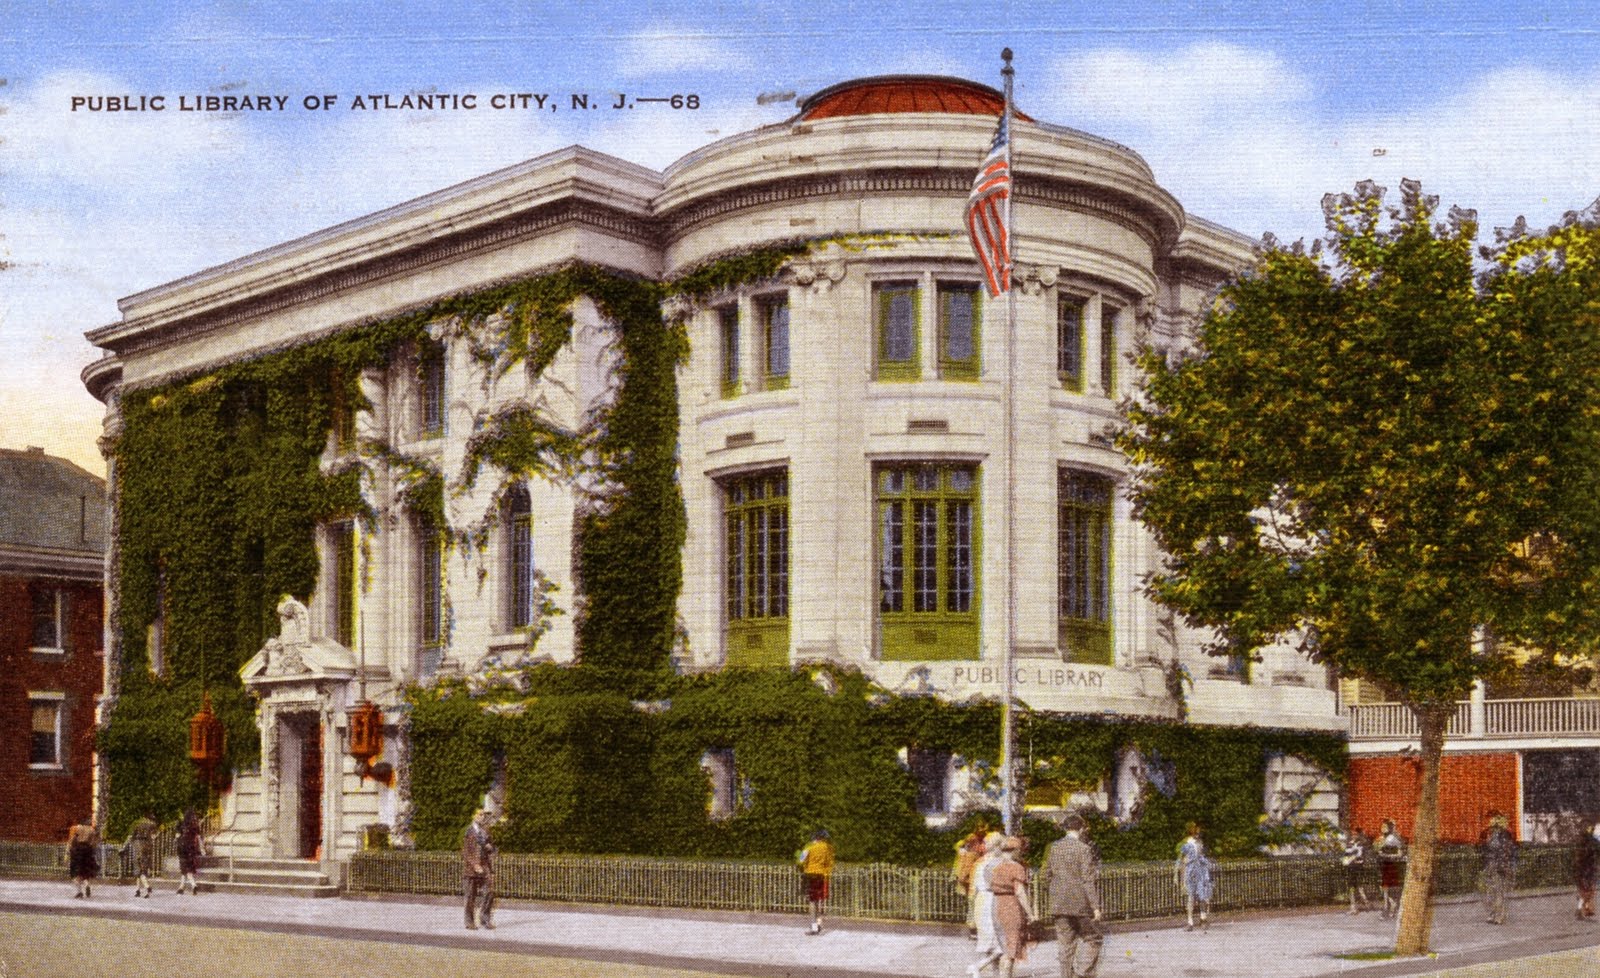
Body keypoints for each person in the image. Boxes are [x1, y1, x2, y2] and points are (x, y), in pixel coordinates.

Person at [1042, 813, 1103, 978]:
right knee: (1093, 938)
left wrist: (1055, 891)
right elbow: (1087, 880)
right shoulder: (1084, 849)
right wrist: (1095, 907)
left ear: (1065, 828)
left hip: (1058, 903)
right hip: (1080, 903)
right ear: (1081, 829)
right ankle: (1081, 973)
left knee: (1065, 944)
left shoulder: (1054, 848)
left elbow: (1045, 875)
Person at [988, 836, 1037, 978]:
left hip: (997, 906)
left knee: (1005, 945)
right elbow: (1020, 893)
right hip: (1011, 906)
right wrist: (1030, 914)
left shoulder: (996, 867)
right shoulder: (1017, 867)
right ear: (1016, 851)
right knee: (1011, 947)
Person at [967, 831, 1007, 976]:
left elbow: (973, 889)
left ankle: (991, 973)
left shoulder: (979, 862)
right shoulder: (1000, 863)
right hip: (994, 900)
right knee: (1000, 943)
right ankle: (979, 966)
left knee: (990, 942)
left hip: (981, 901)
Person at [1479, 811, 1517, 925]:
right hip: (1490, 865)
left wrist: (1504, 866)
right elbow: (1483, 849)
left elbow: (1506, 851)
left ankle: (1499, 916)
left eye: (1492, 820)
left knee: (1498, 892)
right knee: (1489, 892)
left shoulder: (1504, 835)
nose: (1490, 822)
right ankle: (1492, 914)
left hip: (1499, 866)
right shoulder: (1490, 834)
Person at [953, 824, 989, 940]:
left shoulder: (968, 853)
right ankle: (974, 931)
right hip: (973, 884)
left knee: (974, 907)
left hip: (973, 884)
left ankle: (975, 931)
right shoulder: (971, 855)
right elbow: (965, 873)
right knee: (975, 907)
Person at [796, 828, 835, 935]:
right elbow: (830, 862)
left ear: (815, 837)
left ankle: (814, 927)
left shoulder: (809, 847)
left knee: (812, 901)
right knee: (820, 900)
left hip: (811, 875)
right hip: (823, 875)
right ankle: (819, 923)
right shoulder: (828, 848)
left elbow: (800, 861)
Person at [462, 809, 496, 930]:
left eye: (483, 815)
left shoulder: (485, 831)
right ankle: (469, 922)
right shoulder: (469, 831)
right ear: (474, 816)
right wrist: (475, 865)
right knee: (470, 896)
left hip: (485, 866)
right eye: (480, 814)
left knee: (489, 892)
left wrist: (490, 847)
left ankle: (485, 919)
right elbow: (466, 852)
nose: (482, 817)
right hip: (471, 869)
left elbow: (492, 848)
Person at [1176, 822, 1213, 931]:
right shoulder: (1188, 844)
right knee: (1191, 898)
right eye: (1196, 831)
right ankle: (1190, 922)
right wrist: (1180, 875)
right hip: (1191, 874)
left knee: (1202, 897)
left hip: (1200, 874)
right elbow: (1181, 859)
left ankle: (1203, 918)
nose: (1198, 833)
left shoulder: (1200, 844)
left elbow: (1203, 858)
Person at [1375, 818, 1406, 919]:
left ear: (1389, 828)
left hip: (1391, 865)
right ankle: (1391, 907)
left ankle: (1387, 909)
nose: (1382, 828)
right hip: (1384, 865)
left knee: (1387, 889)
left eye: (1385, 826)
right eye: (1382, 826)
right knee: (1385, 889)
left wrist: (1385, 855)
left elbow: (1400, 854)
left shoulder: (1392, 839)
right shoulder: (1382, 838)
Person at [125, 812, 158, 898]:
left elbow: (131, 837)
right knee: (143, 868)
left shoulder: (137, 824)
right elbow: (153, 837)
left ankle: (147, 887)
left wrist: (131, 844)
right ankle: (138, 890)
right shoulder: (153, 825)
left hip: (138, 847)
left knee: (138, 868)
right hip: (147, 847)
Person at [1341, 828, 1373, 914]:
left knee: (1359, 887)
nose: (1353, 836)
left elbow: (1359, 855)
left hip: (1358, 867)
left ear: (1359, 835)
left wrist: (1350, 859)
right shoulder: (1350, 844)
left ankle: (1366, 903)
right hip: (1351, 868)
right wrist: (1345, 860)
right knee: (1351, 887)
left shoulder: (1361, 844)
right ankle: (1353, 907)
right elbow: (1346, 854)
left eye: (1355, 834)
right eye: (1352, 834)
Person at [1575, 818, 1599, 921]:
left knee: (1585, 891)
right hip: (1587, 870)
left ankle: (1583, 909)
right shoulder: (1591, 844)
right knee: (1589, 891)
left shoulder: (1581, 844)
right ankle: (1584, 909)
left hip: (1581, 870)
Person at [66, 820, 99, 899]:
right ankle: (87, 884)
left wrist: (69, 850)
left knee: (75, 872)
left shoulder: (77, 828)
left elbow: (72, 839)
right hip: (88, 851)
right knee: (86, 871)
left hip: (78, 850)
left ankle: (79, 892)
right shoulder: (92, 830)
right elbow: (94, 843)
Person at [176, 808, 203, 895]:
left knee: (184, 868)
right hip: (191, 848)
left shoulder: (181, 824)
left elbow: (177, 836)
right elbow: (199, 837)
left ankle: (193, 885)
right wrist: (202, 849)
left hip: (182, 848)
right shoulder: (195, 825)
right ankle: (181, 888)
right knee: (188, 868)